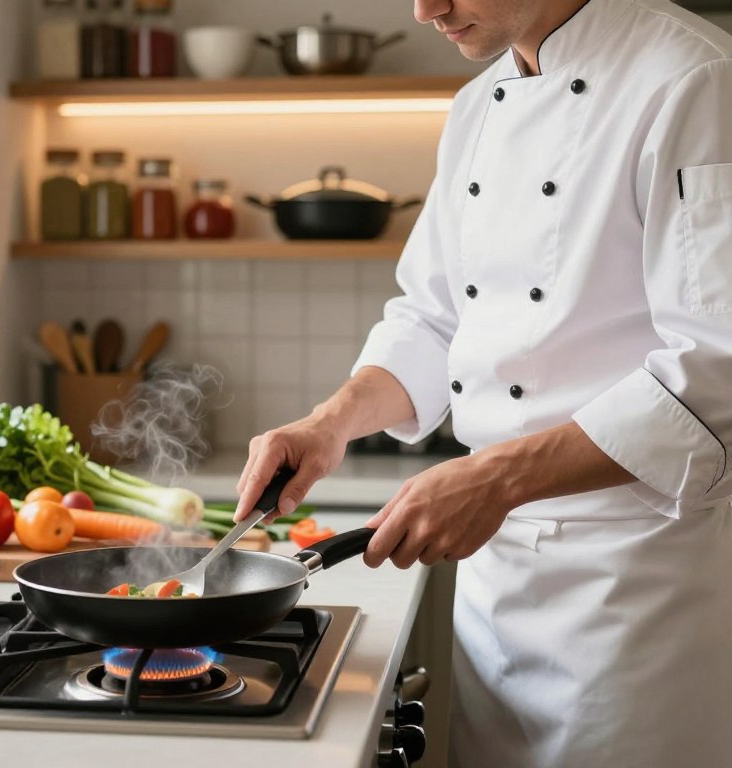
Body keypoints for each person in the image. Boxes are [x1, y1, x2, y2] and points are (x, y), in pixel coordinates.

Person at [233, 0, 732, 765]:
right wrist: (328, 424)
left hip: (637, 593)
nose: (425, 9)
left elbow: (716, 371)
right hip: (496, 594)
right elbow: (432, 319)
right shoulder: (475, 108)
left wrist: (493, 479)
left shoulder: (696, 80)